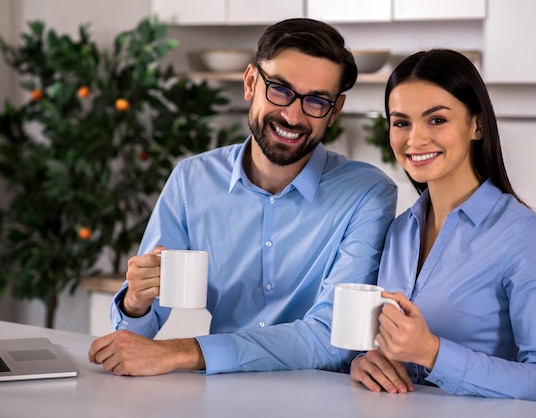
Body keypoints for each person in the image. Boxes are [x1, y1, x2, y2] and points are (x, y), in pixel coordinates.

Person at [88, 18, 397, 376]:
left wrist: (187, 352)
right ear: (251, 83)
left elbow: (332, 338)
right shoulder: (192, 181)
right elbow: (133, 337)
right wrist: (136, 302)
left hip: (323, 398)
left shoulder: (368, 195)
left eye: (316, 101)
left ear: (334, 111)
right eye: (280, 89)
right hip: (220, 395)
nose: (292, 115)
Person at [349, 49, 536, 405]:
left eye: (436, 120)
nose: (415, 139)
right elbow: (384, 348)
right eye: (401, 122)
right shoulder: (399, 231)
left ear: (476, 124)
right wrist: (365, 362)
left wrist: (434, 353)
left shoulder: (525, 235)